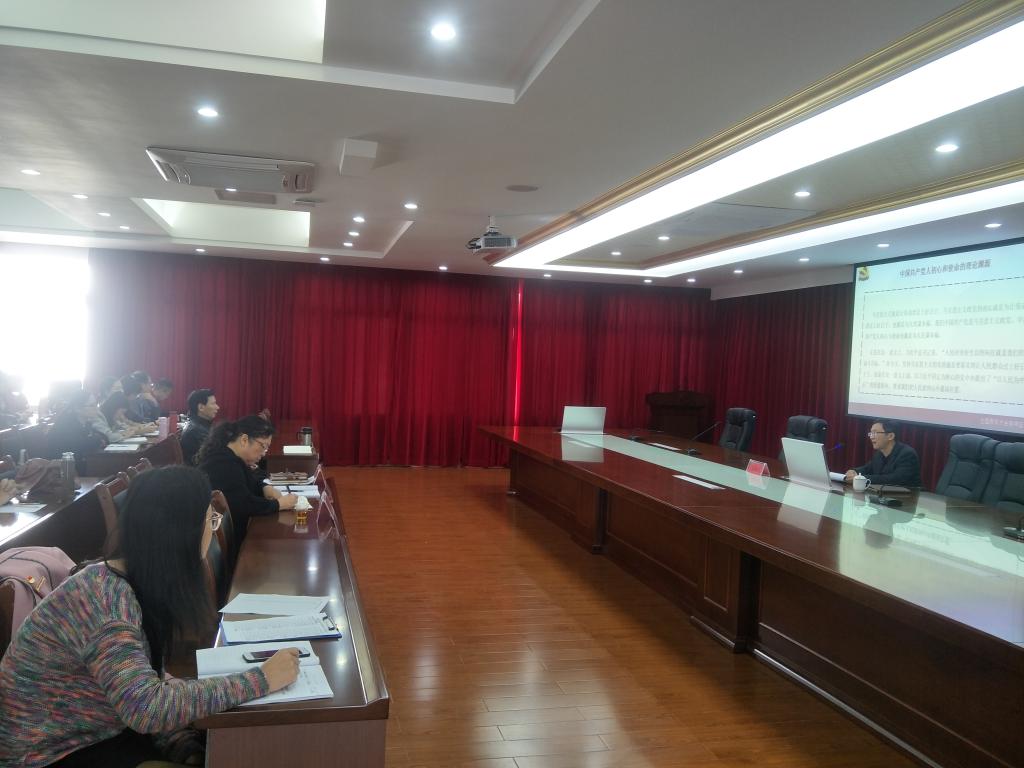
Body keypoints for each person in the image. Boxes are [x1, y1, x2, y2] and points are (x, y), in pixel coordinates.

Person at [0, 466, 300, 767]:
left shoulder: (134, 580)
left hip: (96, 730)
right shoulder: (106, 601)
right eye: (211, 520)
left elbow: (143, 686)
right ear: (180, 534)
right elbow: (145, 707)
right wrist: (260, 679)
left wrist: (180, 741)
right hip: (46, 753)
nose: (212, 531)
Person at [198, 416, 297, 557]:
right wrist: (279, 504)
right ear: (244, 440)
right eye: (263, 446)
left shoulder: (231, 458)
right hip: (232, 548)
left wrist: (264, 487)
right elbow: (244, 504)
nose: (263, 453)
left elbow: (246, 484)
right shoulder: (223, 463)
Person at [844, 419, 921, 488]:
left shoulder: (907, 454)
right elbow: (867, 468)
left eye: (875, 433)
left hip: (909, 496)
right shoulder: (879, 454)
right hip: (884, 495)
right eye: (871, 433)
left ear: (890, 436)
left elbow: (896, 479)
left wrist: (861, 478)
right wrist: (854, 471)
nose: (871, 437)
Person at [45, 389, 106, 472]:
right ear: (77, 408)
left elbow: (102, 437)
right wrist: (97, 439)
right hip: (61, 471)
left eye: (96, 404)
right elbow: (82, 444)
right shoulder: (66, 424)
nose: (96, 409)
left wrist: (97, 439)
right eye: (92, 405)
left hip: (77, 465)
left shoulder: (85, 422)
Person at [181, 388, 219, 466]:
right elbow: (213, 460)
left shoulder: (200, 426)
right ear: (201, 407)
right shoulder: (196, 432)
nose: (217, 407)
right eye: (213, 404)